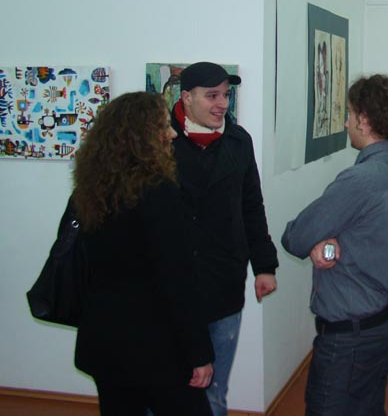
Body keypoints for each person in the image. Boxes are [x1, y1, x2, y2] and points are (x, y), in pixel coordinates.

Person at [281, 74, 388, 415]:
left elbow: (295, 236)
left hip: (350, 340)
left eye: (348, 114)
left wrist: (316, 241)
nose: (345, 123)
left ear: (365, 120)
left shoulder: (362, 180)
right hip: (378, 327)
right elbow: (369, 240)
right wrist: (326, 243)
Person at [73, 92, 214, 415]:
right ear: (141, 137)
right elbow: (178, 281)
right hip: (155, 346)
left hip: (104, 341)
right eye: (164, 126)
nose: (173, 134)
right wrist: (199, 354)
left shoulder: (90, 190)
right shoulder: (158, 193)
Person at [173, 62, 279, 416]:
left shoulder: (238, 141)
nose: (222, 104)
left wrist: (264, 266)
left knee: (214, 391)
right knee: (168, 389)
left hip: (223, 280)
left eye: (226, 95)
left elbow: (252, 206)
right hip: (172, 285)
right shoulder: (160, 142)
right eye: (212, 95)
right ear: (187, 97)